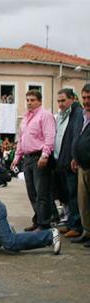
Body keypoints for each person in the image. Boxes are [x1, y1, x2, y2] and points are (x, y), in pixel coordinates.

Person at [11, 90, 56, 231]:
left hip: (39, 157)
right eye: (28, 100)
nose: (29, 103)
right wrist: (17, 157)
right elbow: (21, 139)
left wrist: (45, 155)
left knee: (41, 193)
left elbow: (50, 137)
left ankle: (44, 223)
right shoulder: (25, 119)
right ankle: (38, 219)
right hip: (27, 158)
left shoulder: (45, 115)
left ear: (39, 101)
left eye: (32, 100)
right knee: (32, 193)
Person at [53, 89, 83, 238]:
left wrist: (74, 156)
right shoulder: (61, 115)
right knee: (66, 194)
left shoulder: (77, 113)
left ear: (72, 99)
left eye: (63, 100)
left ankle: (77, 226)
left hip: (70, 161)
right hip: (61, 161)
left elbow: (76, 136)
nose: (60, 104)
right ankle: (71, 223)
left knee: (73, 194)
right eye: (58, 101)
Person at [71, 84, 90, 247]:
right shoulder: (83, 115)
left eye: (89, 98)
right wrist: (75, 156)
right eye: (84, 97)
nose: (86, 101)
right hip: (82, 165)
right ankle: (87, 231)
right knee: (83, 201)